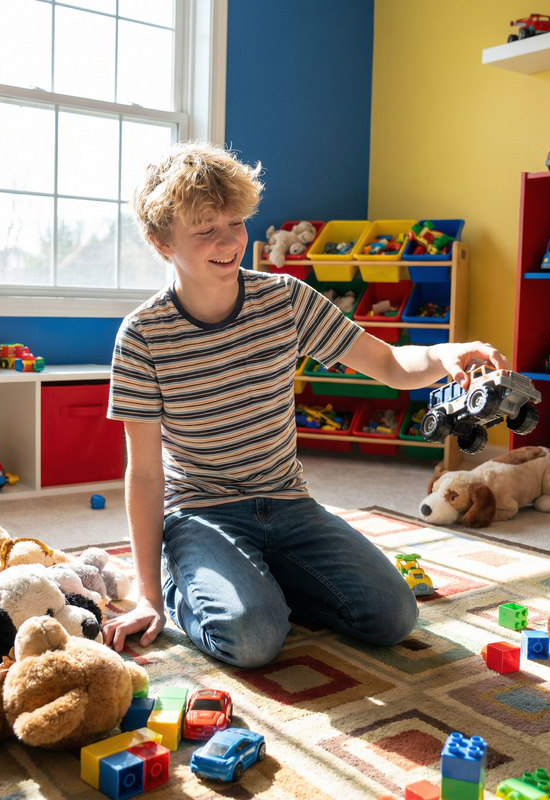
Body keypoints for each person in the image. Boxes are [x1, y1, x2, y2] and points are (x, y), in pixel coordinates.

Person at [103, 141, 509, 668]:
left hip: (288, 503)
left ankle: (264, 582)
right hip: (202, 511)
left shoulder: (285, 299)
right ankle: (190, 581)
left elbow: (386, 364)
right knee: (252, 640)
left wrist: (443, 352)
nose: (228, 241)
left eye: (236, 222)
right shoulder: (142, 335)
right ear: (161, 241)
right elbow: (146, 475)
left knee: (393, 618)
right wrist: (148, 595)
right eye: (205, 230)